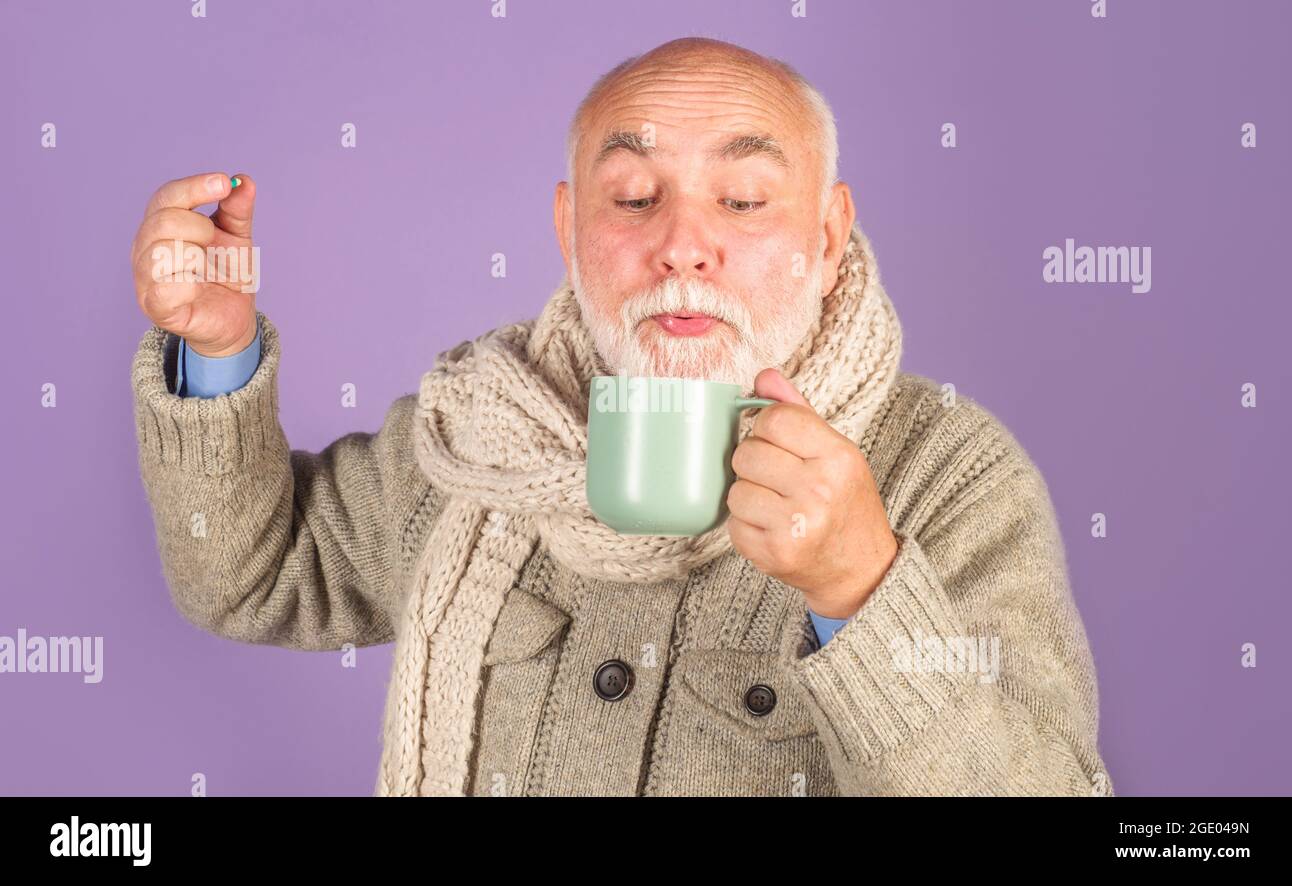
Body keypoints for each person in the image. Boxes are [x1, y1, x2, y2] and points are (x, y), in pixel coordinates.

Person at [129, 37, 1112, 796]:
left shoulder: (952, 479)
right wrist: (217, 348)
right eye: (636, 197)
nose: (683, 244)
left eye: (742, 198)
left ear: (826, 233)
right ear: (568, 227)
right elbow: (253, 577)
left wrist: (862, 587)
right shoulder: (484, 430)